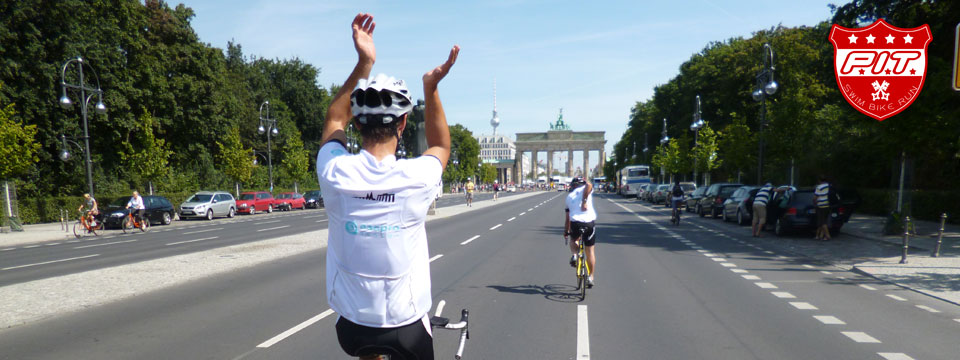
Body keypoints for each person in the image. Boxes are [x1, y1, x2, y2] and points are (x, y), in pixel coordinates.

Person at [315, 13, 459, 360]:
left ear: (357, 123)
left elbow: (334, 117)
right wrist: (431, 88)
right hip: (405, 327)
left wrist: (364, 62)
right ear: (403, 123)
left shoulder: (335, 172)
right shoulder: (415, 178)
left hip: (351, 328)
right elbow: (440, 145)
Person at [564, 177, 597, 288]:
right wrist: (584, 201)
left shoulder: (569, 197)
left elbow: (567, 218)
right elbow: (589, 184)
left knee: (573, 240)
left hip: (576, 223)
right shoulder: (585, 188)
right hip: (589, 223)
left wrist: (566, 231)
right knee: (590, 251)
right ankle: (591, 277)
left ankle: (574, 255)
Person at [814, 175, 832, 241]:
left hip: (821, 206)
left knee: (822, 222)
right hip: (828, 205)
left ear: (819, 180)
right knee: (825, 221)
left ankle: (827, 235)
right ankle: (822, 236)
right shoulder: (829, 186)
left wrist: (815, 203)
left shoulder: (819, 187)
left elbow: (815, 197)